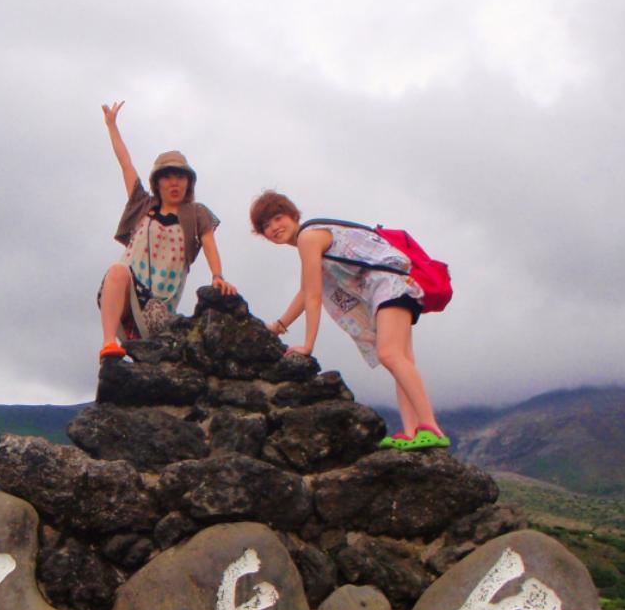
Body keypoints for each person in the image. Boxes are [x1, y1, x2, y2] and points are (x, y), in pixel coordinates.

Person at [250, 190, 448, 450]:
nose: (274, 227)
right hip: (397, 286)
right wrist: (278, 327)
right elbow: (305, 291)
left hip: (390, 286)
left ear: (292, 215)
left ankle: (430, 427)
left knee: (390, 355)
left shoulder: (309, 237)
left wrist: (308, 346)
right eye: (266, 225)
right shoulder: (313, 237)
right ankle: (412, 432)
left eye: (277, 218)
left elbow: (314, 296)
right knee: (401, 360)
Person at [97, 102, 236, 360]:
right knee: (116, 271)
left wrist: (218, 276)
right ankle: (109, 345)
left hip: (160, 306)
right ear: (157, 182)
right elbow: (125, 164)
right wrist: (112, 126)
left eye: (180, 177)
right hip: (127, 295)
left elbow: (208, 242)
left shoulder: (196, 214)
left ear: (188, 182)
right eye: (168, 176)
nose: (174, 182)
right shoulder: (142, 204)